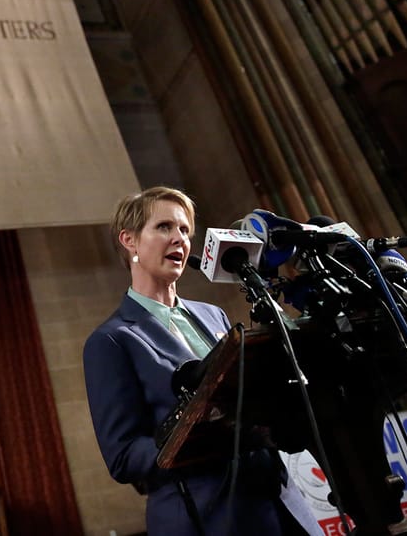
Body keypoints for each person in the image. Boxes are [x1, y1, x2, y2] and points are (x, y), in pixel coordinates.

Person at [83, 186, 321, 535]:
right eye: (164, 227)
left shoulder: (213, 315)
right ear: (130, 240)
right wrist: (197, 435)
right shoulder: (112, 341)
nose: (179, 238)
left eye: (184, 230)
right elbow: (123, 456)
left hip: (279, 500)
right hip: (207, 514)